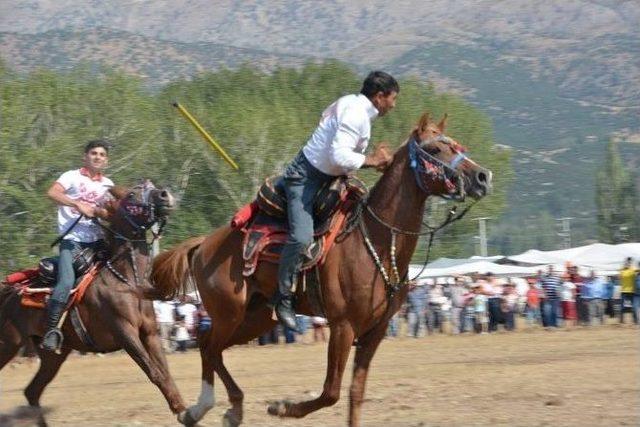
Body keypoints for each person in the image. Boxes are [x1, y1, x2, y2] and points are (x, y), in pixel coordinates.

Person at [273, 71, 398, 330]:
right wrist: (372, 161)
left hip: (329, 177)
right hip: (304, 178)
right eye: (392, 99)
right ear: (379, 96)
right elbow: (339, 155)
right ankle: (283, 297)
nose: (393, 105)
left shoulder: (351, 104)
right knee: (302, 236)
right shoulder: (356, 114)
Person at [42, 140, 114, 351]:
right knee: (65, 283)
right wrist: (77, 204)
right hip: (73, 241)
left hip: (99, 242)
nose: (98, 157)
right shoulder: (71, 176)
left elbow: (110, 212)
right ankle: (51, 331)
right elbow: (52, 193)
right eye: (94, 153)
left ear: (106, 160)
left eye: (102, 154)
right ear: (85, 156)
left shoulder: (108, 184)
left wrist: (103, 213)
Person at [619, 257, 638, 324]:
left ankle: (635, 320)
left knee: (633, 307)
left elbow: (637, 271)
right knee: (622, 306)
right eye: (627, 262)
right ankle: (621, 321)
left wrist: (632, 268)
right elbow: (620, 277)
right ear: (625, 262)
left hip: (631, 291)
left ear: (630, 263)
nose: (628, 263)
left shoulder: (633, 270)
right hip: (624, 291)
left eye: (629, 262)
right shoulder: (622, 270)